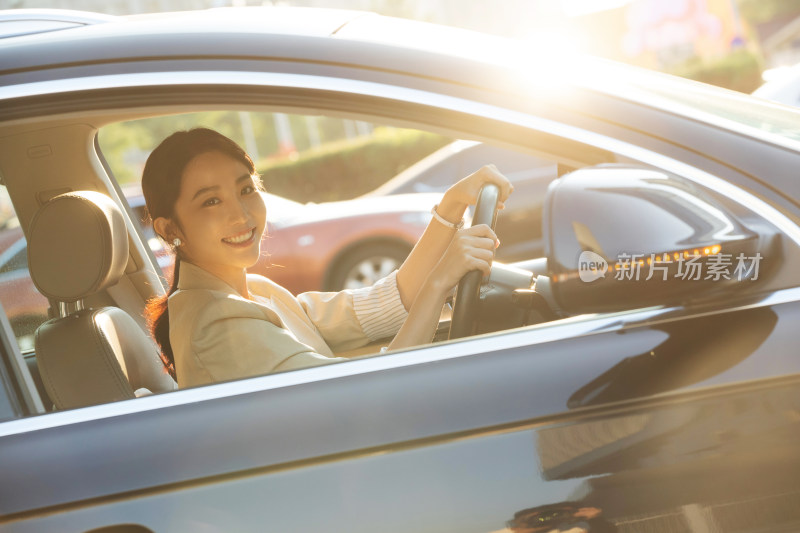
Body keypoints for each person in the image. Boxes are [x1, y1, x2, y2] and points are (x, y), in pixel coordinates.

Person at [142, 128, 512, 388]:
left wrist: (450, 209)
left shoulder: (252, 291)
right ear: (170, 229)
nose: (240, 215)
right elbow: (368, 398)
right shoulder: (216, 323)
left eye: (246, 189)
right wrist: (439, 282)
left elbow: (382, 305)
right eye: (211, 201)